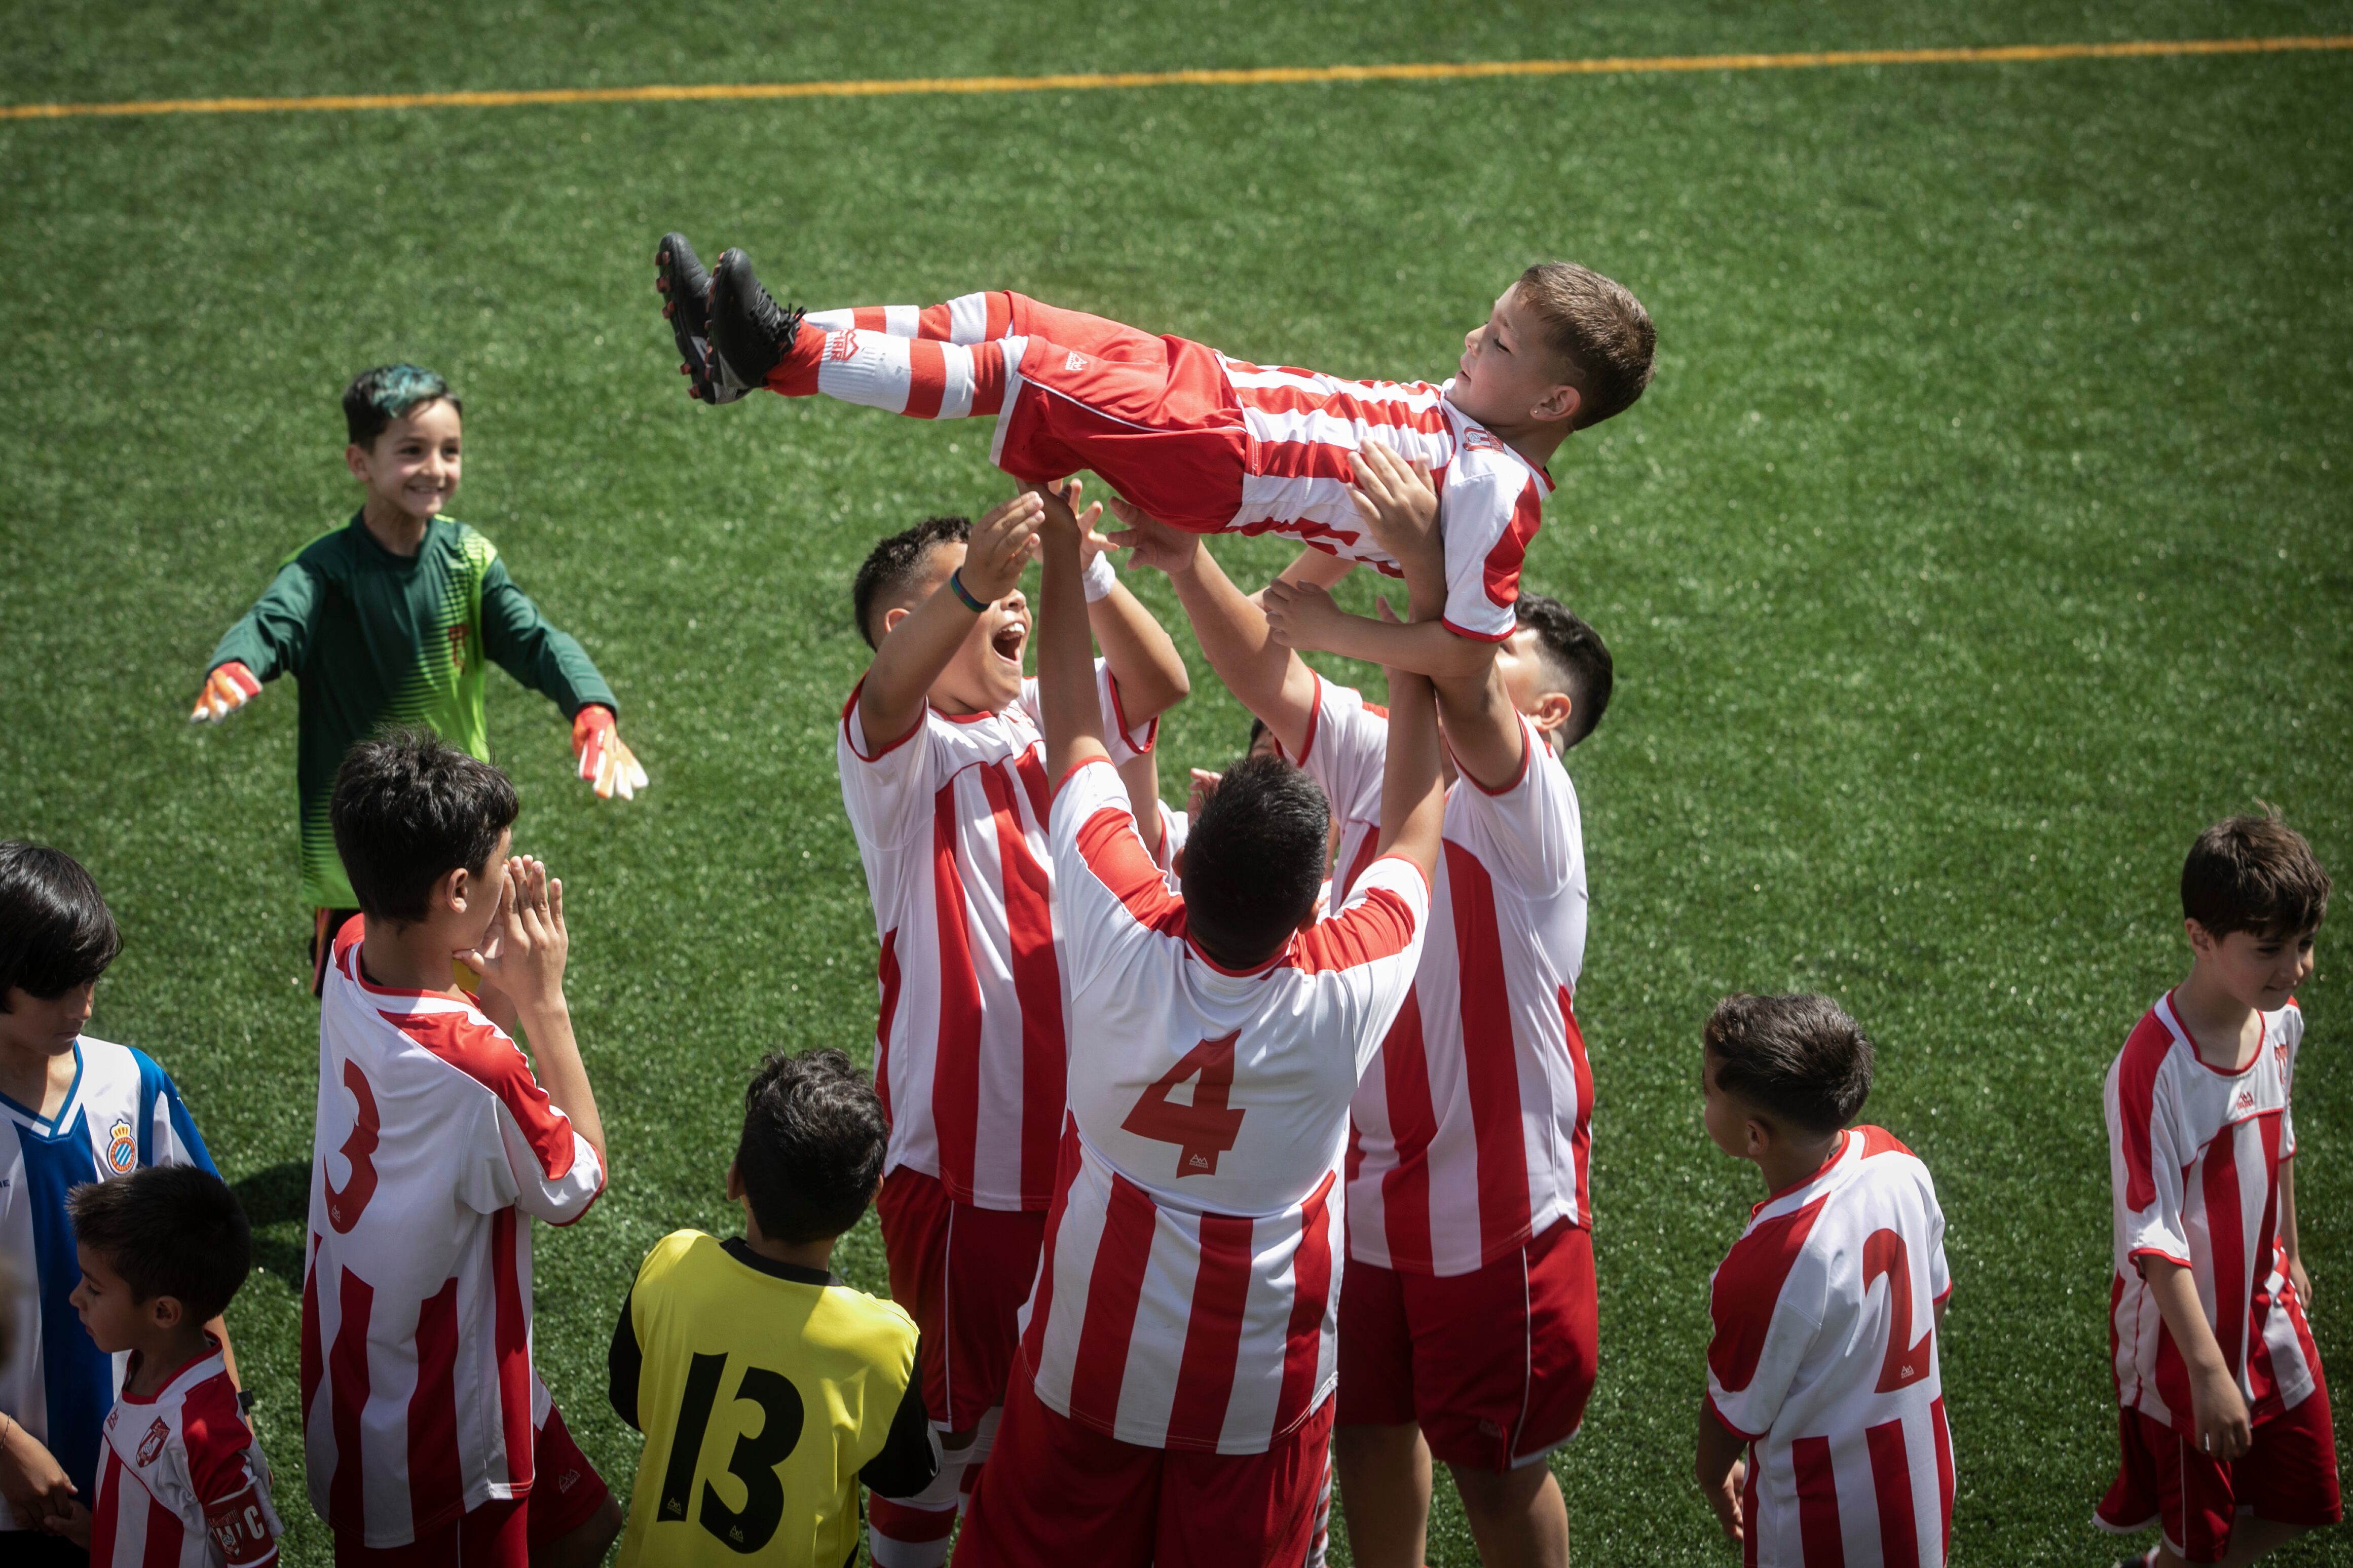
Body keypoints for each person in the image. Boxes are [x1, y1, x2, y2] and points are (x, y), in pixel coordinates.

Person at [1110, 448, 1612, 1567]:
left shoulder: (1531, 800)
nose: (1470, 646)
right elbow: (1261, 677)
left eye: (1498, 639)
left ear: (1549, 706)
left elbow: (1461, 688)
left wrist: (1426, 576)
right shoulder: (1389, 745)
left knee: (1494, 1469)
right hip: (1363, 1195)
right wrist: (1189, 562)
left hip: (1493, 1222)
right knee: (1371, 1433)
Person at [953, 482, 1444, 1567]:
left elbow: (1077, 728)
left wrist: (1070, 562)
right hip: (1259, 1381)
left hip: (1087, 1341)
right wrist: (1422, 612)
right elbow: (1414, 818)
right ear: (1317, 893)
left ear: (1181, 847)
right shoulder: (1343, 978)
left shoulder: (1119, 916)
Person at [650, 235, 1653, 684]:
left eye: (1500, 345)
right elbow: (1366, 526)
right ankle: (745, 349)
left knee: (1025, 371)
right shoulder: (1476, 425)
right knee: (1008, 315)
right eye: (1487, 325)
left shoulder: (1500, 486)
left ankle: (783, 352)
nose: (1473, 344)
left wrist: (1335, 627)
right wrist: (1320, 572)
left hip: (1219, 454)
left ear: (1553, 404)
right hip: (1214, 389)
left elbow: (1468, 648)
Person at [831, 490, 1188, 1565]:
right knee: (944, 1437)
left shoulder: (1049, 714)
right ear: (915, 621)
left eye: (1013, 586)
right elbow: (886, 691)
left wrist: (1086, 570)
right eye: (981, 584)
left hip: (1092, 1162)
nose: (1009, 600)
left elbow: (1159, 681)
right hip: (965, 1172)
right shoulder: (899, 760)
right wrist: (971, 581)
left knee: (1059, 1426)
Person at [190, 364, 648, 997]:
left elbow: (538, 640)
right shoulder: (325, 570)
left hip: (463, 838)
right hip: (364, 863)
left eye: (450, 450)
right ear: (360, 461)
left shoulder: (470, 560)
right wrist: (238, 661)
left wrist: (592, 706)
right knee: (369, 1024)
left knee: (477, 1019)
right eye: (412, 450)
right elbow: (275, 620)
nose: (435, 467)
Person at [303, 731, 623, 1566]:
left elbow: (454, 1077)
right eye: (497, 871)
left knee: (588, 1529)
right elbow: (575, 1185)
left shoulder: (342, 956)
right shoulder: (471, 1066)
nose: (509, 885)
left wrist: (490, 989)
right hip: (437, 1419)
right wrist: (542, 1000)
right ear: (453, 888)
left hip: (376, 1355)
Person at [2096, 815, 2338, 1567]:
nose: (2293, 967)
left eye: (2302, 943)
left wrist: (2288, 1250)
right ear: (2198, 938)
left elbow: (2281, 1133)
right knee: (2200, 1535)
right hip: (2182, 1333)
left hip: (2264, 1300)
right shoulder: (2151, 1067)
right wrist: (2205, 1370)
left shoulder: (2277, 1023)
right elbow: (2151, 1234)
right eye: (2268, 949)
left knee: (2306, 1498)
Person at [606, 1047, 939, 1566]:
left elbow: (630, 1400)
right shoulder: (884, 1341)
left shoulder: (671, 1264)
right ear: (871, 1195)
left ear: (735, 1177)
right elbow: (905, 1474)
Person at [0, 843, 230, 1567]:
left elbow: (196, 1271)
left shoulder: (131, 1081)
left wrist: (224, 1413)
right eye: (56, 988)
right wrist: (7, 1445)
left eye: (90, 980)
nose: (82, 1005)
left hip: (139, 1468)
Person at [1692, 993, 1954, 1565]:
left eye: (1708, 1090)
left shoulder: (1765, 1264)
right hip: (1922, 1480)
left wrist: (1710, 1476)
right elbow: (1931, 1305)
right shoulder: (1898, 1161)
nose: (1703, 1100)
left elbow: (1732, 1411)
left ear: (1754, 1137)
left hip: (1817, 1520)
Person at [66, 1166, 280, 1566]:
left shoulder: (205, 1434)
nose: (76, 1297)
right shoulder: (143, 1362)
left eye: (94, 1288)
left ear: (163, 1311)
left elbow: (256, 1560)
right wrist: (96, 1531)